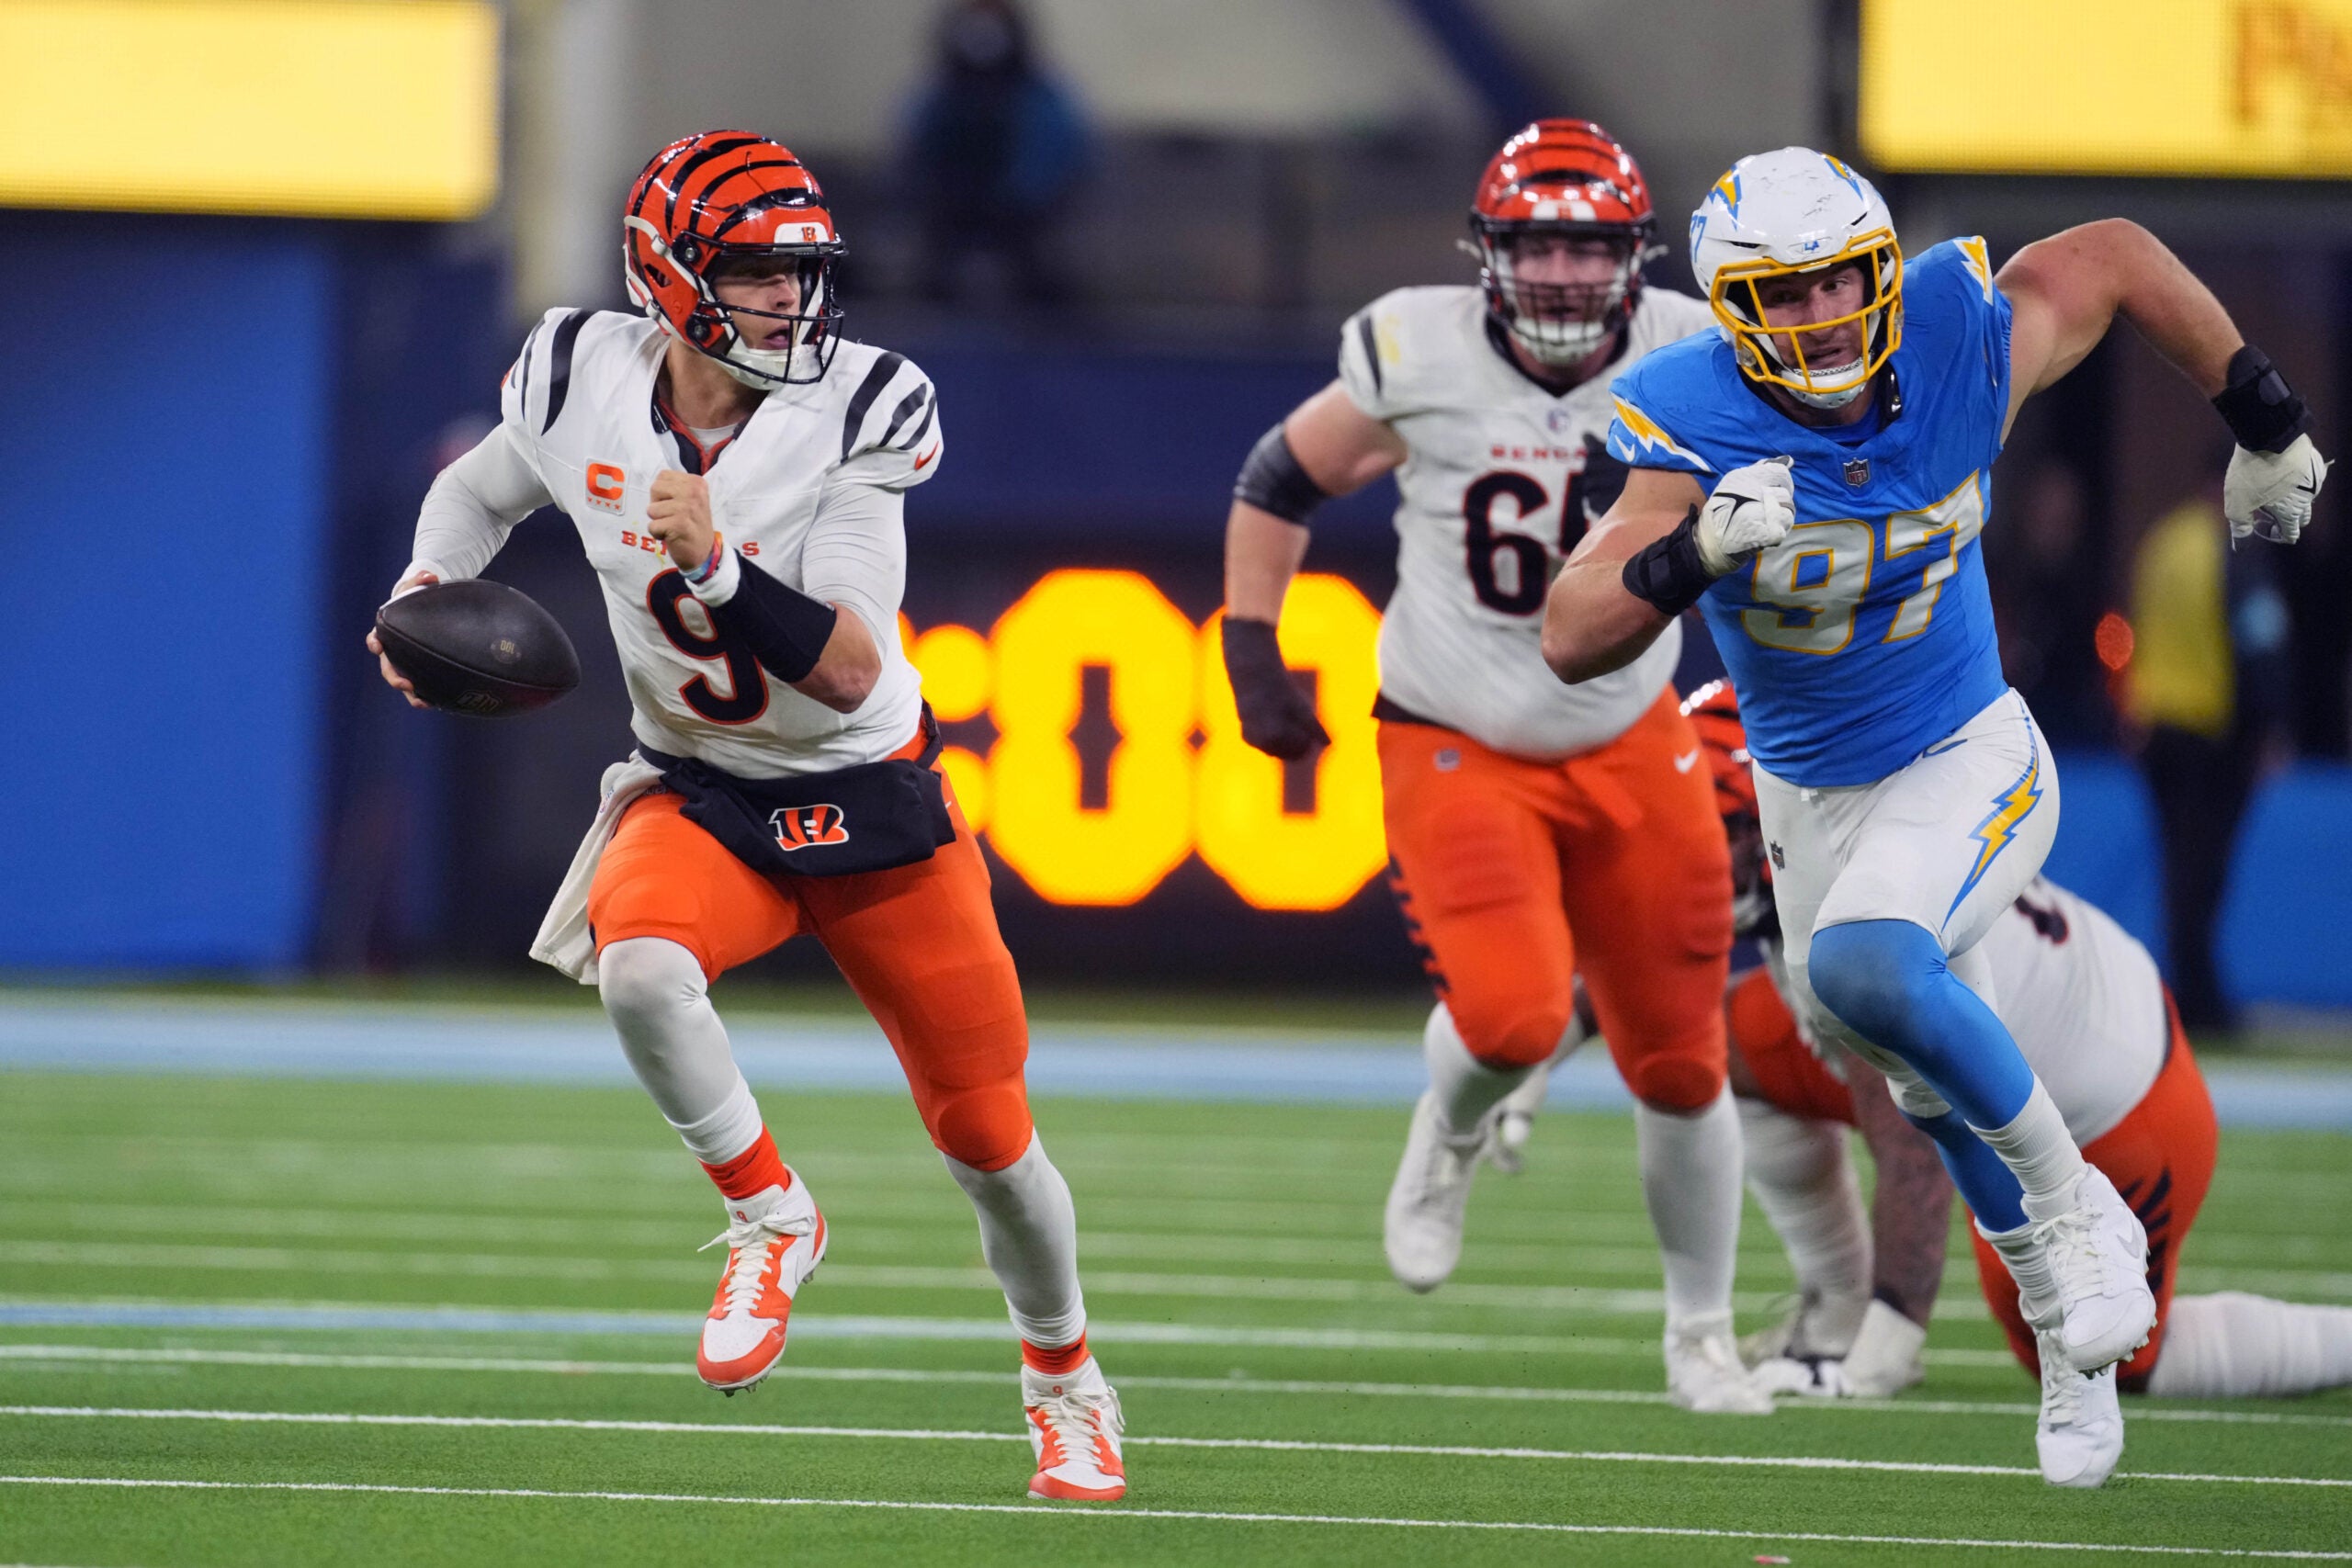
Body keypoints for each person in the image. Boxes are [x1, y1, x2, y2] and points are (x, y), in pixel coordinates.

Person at [1539, 149, 2328, 1474]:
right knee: (1901, 1061)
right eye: (1785, 298)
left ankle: (2077, 1216)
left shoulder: (1962, 341)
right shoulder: (1689, 421)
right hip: (1808, 791)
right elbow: (1570, 634)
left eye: (1845, 280)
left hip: (1963, 745)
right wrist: (1690, 557)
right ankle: (2072, 1360)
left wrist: (2267, 418)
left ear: (1881, 269)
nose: (1827, 315)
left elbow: (2123, 249)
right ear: (1733, 314)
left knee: (1863, 963)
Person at [366, 130, 1124, 1503]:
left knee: (992, 1146)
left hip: (870, 795)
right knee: (641, 961)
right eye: (757, 275)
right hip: (706, 789)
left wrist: (714, 559)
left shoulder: (865, 406)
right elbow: (479, 490)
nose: (790, 300)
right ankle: (771, 1212)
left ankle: (1064, 1376)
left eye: (800, 274)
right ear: (669, 276)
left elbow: (846, 667)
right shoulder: (574, 372)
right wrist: (422, 589)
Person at [1217, 118, 1758, 1412]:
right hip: (1456, 727)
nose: (1568, 273)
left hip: (1633, 728)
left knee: (1682, 1058)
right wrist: (1251, 645)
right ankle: (1450, 1125)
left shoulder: (1698, 348)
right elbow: (1282, 474)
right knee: (1514, 1016)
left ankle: (1703, 1333)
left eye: (1591, 246)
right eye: (1540, 244)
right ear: (1490, 255)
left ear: (1636, 256)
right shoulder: (1420, 346)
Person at [2125, 465, 2296, 1032]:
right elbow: (2260, 638)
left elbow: (2132, 630)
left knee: (2178, 866)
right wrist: (2270, 724)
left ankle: (2186, 988)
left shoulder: (2164, 540)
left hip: (2157, 730)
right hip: (2211, 732)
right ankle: (2200, 999)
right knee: (2205, 870)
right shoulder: (2234, 548)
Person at [904, 0, 1091, 306]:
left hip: (1025, 226)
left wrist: (1016, 202)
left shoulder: (1042, 99)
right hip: (946, 225)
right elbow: (914, 158)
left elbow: (1058, 159)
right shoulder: (936, 99)